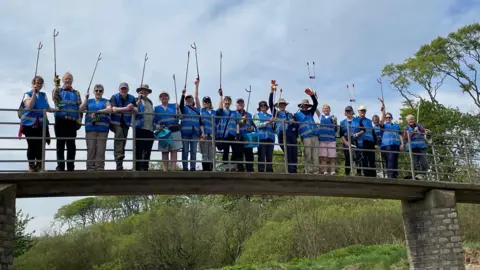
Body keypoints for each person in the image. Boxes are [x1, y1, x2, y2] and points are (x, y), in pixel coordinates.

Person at [19, 76, 52, 172]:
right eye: (37, 82)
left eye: (41, 83)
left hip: (41, 124)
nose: (39, 84)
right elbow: (29, 106)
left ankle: (39, 165)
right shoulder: (27, 94)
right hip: (29, 124)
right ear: (33, 83)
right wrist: (33, 93)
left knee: (41, 145)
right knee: (32, 144)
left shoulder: (43, 95)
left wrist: (56, 110)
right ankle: (31, 165)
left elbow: (47, 107)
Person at [52, 72, 82, 172]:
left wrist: (79, 121)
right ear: (63, 80)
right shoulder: (58, 91)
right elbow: (54, 98)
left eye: (69, 79)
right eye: (66, 79)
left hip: (72, 122)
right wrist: (56, 85)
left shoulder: (76, 93)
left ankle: (70, 167)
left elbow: (80, 108)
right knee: (60, 144)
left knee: (71, 145)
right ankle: (60, 166)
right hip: (60, 120)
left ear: (72, 81)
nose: (68, 80)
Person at [80, 84, 112, 171]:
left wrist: (98, 111)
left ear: (103, 92)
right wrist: (85, 98)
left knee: (101, 150)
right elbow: (81, 109)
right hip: (90, 129)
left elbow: (109, 109)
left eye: (100, 91)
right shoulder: (89, 101)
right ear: (93, 92)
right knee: (91, 149)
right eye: (96, 90)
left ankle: (100, 168)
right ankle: (90, 168)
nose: (98, 92)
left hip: (103, 130)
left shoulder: (106, 101)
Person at [269, 89, 298, 174]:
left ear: (285, 105)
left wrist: (293, 122)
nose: (282, 106)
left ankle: (294, 170)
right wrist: (271, 92)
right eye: (280, 104)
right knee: (287, 151)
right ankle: (289, 170)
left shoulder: (290, 114)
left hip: (292, 134)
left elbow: (296, 126)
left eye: (283, 104)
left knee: (294, 152)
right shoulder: (276, 113)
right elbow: (270, 103)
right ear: (278, 106)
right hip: (282, 134)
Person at [110, 82, 137, 171]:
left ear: (128, 90)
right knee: (119, 133)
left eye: (125, 89)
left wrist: (132, 107)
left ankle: (119, 166)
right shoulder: (114, 97)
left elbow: (136, 109)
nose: (123, 90)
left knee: (123, 142)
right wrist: (126, 108)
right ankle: (118, 156)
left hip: (125, 123)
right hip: (115, 122)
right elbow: (113, 109)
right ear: (119, 89)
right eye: (122, 89)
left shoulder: (132, 98)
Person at [179, 79, 204, 171]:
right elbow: (181, 105)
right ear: (186, 101)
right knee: (185, 150)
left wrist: (202, 132)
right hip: (185, 132)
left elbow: (200, 122)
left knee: (193, 151)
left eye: (190, 99)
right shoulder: (183, 108)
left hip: (195, 132)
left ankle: (192, 167)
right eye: (187, 99)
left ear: (193, 100)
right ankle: (185, 168)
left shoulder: (197, 110)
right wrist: (183, 94)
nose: (189, 100)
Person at [154, 91, 181, 171]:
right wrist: (158, 128)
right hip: (163, 131)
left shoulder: (175, 106)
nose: (164, 97)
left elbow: (180, 117)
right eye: (162, 96)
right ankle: (165, 170)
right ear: (160, 98)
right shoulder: (156, 108)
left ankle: (173, 170)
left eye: (165, 96)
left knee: (174, 151)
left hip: (174, 130)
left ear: (168, 98)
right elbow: (154, 121)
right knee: (164, 151)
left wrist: (178, 110)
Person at [378, 99, 404, 178]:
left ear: (391, 118)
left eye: (389, 117)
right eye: (387, 117)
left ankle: (395, 175)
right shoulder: (384, 126)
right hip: (387, 145)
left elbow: (400, 135)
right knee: (390, 160)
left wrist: (402, 144)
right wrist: (383, 109)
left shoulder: (396, 126)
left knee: (395, 160)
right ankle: (390, 176)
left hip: (396, 145)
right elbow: (381, 121)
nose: (388, 118)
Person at [294, 90, 319, 174]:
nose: (305, 106)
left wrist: (312, 95)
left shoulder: (310, 112)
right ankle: (309, 170)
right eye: (304, 105)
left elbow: (315, 104)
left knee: (315, 155)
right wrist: (298, 139)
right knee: (308, 154)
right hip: (305, 137)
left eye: (307, 105)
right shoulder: (296, 115)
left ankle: (316, 171)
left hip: (315, 136)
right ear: (301, 106)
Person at [134, 84, 155, 171]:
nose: (143, 92)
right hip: (140, 127)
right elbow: (134, 109)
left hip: (150, 129)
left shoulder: (150, 102)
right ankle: (137, 167)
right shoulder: (135, 100)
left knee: (147, 149)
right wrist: (138, 100)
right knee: (139, 148)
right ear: (139, 92)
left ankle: (145, 166)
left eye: (145, 90)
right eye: (141, 90)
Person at [215, 89, 235, 171]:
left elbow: (238, 123)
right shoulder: (221, 111)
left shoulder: (234, 113)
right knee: (226, 152)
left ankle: (233, 167)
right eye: (225, 101)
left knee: (234, 151)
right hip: (224, 135)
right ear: (223, 102)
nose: (227, 102)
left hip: (232, 135)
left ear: (230, 103)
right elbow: (219, 108)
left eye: (228, 101)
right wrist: (220, 96)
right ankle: (226, 167)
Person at [404, 114, 429, 180]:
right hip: (412, 147)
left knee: (425, 163)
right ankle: (417, 175)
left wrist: (420, 129)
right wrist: (413, 131)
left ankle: (422, 175)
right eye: (409, 120)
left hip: (421, 147)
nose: (410, 121)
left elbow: (423, 132)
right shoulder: (406, 128)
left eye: (412, 119)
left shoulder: (419, 126)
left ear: (414, 120)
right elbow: (406, 138)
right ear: (407, 121)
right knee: (415, 163)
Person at [233, 98, 255, 172]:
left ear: (244, 104)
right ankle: (240, 169)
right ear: (236, 105)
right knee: (239, 154)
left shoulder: (249, 115)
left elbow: (253, 126)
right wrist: (242, 121)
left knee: (249, 154)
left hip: (248, 137)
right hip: (239, 137)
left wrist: (251, 128)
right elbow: (235, 125)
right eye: (238, 103)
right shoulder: (234, 114)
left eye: (242, 103)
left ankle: (250, 169)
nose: (240, 105)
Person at [339, 106, 362, 176]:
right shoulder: (342, 122)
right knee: (347, 157)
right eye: (347, 111)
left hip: (356, 141)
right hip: (346, 141)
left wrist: (358, 133)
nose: (348, 112)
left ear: (352, 112)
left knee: (358, 156)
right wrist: (346, 142)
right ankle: (347, 173)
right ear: (345, 112)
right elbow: (341, 134)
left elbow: (363, 130)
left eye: (349, 111)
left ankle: (358, 172)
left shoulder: (358, 120)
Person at [316, 104, 338, 175]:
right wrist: (315, 100)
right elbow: (316, 110)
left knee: (332, 157)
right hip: (322, 139)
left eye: (327, 108)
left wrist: (335, 121)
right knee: (323, 157)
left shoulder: (333, 117)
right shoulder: (321, 117)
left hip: (331, 140)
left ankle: (332, 171)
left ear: (330, 110)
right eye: (324, 108)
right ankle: (324, 171)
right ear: (322, 110)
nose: (326, 109)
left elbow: (336, 129)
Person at [253, 100, 274, 172]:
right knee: (261, 155)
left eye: (264, 105)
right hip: (261, 138)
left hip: (270, 138)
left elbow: (274, 128)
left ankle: (269, 170)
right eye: (261, 105)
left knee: (269, 156)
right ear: (259, 107)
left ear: (266, 107)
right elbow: (258, 125)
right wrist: (268, 122)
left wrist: (274, 123)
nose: (263, 106)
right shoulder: (256, 115)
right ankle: (261, 170)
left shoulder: (271, 116)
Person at [356, 106, 377, 177]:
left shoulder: (369, 121)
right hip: (360, 142)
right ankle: (366, 174)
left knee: (372, 159)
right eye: (361, 111)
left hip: (370, 142)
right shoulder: (355, 120)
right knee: (363, 159)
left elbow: (372, 131)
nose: (363, 112)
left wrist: (375, 142)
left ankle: (373, 175)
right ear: (358, 111)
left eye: (364, 111)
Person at [199, 96, 216, 171]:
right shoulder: (201, 111)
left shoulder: (214, 112)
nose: (206, 103)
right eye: (205, 102)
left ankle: (211, 169)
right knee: (205, 153)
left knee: (212, 153)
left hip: (212, 135)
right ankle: (205, 170)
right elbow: (196, 98)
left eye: (208, 101)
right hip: (204, 134)